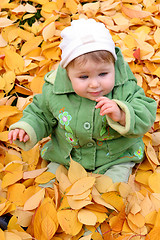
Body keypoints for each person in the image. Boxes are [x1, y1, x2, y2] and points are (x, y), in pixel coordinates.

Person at [8, 18, 157, 183]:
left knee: (112, 188)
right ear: (68, 73)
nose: (94, 84)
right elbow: (40, 114)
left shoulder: (124, 88)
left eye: (103, 74)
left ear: (113, 67)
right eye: (84, 77)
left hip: (116, 156)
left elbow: (145, 111)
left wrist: (122, 113)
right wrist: (27, 128)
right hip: (67, 156)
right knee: (49, 184)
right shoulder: (55, 91)